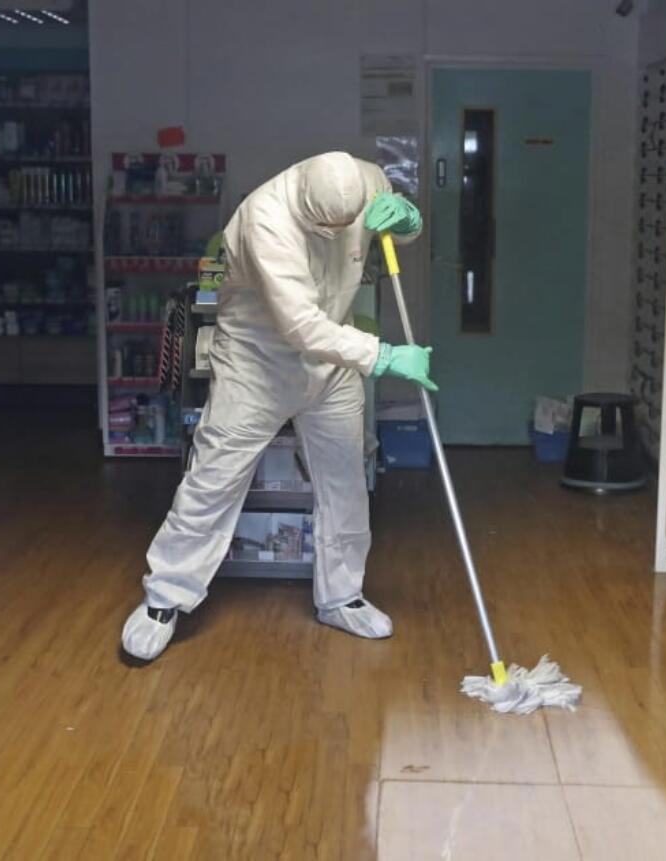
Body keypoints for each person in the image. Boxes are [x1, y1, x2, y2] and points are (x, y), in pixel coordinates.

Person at [121, 152, 434, 662]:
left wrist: (407, 220)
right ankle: (164, 599)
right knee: (213, 481)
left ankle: (341, 596)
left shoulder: (365, 182)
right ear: (304, 201)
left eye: (346, 224)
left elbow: (401, 229)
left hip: (331, 365)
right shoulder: (264, 218)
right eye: (324, 226)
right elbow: (301, 327)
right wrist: (383, 355)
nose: (337, 234)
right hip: (258, 365)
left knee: (344, 480)